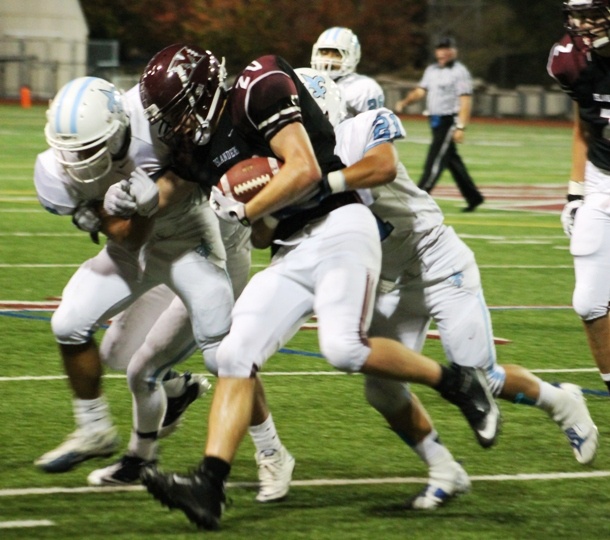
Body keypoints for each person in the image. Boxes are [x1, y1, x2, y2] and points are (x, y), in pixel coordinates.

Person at [136, 43, 499, 530]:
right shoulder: (199, 150)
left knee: (344, 349)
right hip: (290, 248)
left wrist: (245, 206)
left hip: (341, 226)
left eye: (178, 114)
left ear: (202, 93)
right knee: (232, 355)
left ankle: (457, 381)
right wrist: (249, 210)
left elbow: (305, 169)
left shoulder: (257, 85)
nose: (174, 127)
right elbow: (264, 233)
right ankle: (209, 485)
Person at [297, 67, 599, 506]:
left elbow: (381, 167)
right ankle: (444, 469)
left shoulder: (359, 129)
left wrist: (325, 184)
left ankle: (561, 402)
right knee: (380, 386)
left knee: (481, 377)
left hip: (439, 262)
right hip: (391, 279)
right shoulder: (295, 162)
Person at [32, 77, 213, 474]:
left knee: (223, 353)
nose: (77, 162)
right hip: (137, 247)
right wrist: (100, 208)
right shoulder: (53, 170)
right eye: (69, 151)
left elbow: (185, 181)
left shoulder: (156, 124)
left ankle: (254, 449)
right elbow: (122, 237)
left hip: (190, 245)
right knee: (70, 323)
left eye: (88, 149)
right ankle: (94, 427)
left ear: (118, 130)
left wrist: (146, 202)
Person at [547, 0, 610, 396]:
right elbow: (582, 125)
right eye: (577, 14)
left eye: (594, 13)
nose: (583, 24)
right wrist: (575, 192)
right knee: (588, 302)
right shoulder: (570, 61)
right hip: (603, 179)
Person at [394, 36, 484, 212]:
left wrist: (460, 127)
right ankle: (474, 197)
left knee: (434, 161)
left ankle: (418, 198)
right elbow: (421, 91)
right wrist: (405, 102)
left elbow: (465, 100)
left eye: (446, 48)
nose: (443, 52)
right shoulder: (432, 70)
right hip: (434, 121)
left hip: (448, 121)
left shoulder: (460, 72)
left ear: (454, 51)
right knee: (451, 161)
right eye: (440, 48)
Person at [311, 26, 384, 117]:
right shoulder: (306, 82)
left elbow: (369, 127)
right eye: (324, 52)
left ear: (353, 56)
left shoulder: (363, 88)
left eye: (337, 54)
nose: (328, 59)